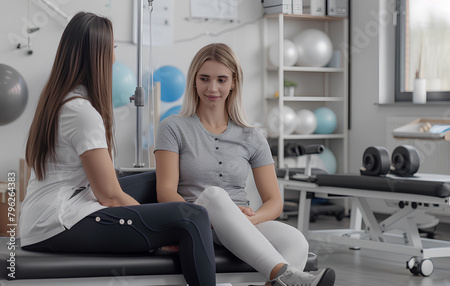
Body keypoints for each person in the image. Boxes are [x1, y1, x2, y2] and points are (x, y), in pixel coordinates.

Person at [20, 12, 215, 286]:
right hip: (56, 223)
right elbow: (110, 196)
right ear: (97, 55)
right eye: (111, 48)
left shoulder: (62, 97)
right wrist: (160, 229)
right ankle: (203, 234)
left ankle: (210, 228)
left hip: (50, 212)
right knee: (194, 217)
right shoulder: (81, 112)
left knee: (159, 178)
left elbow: (104, 183)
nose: (114, 56)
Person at [154, 43, 336, 286]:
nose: (212, 88)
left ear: (234, 82)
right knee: (215, 195)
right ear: (194, 81)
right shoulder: (172, 127)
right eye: (204, 79)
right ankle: (285, 275)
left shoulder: (252, 135)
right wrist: (210, 217)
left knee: (296, 241)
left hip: (244, 220)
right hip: (197, 223)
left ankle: (280, 280)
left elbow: (274, 201)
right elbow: (165, 191)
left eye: (221, 80)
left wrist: (247, 221)